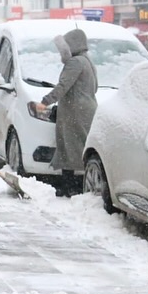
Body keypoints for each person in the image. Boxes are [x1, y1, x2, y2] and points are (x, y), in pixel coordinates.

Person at [30, 28, 98, 197]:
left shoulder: (75, 62)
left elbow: (63, 86)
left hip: (74, 112)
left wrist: (45, 102)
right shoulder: (87, 61)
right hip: (86, 110)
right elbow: (94, 87)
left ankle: (70, 187)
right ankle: (78, 185)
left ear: (72, 46)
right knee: (78, 147)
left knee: (69, 148)